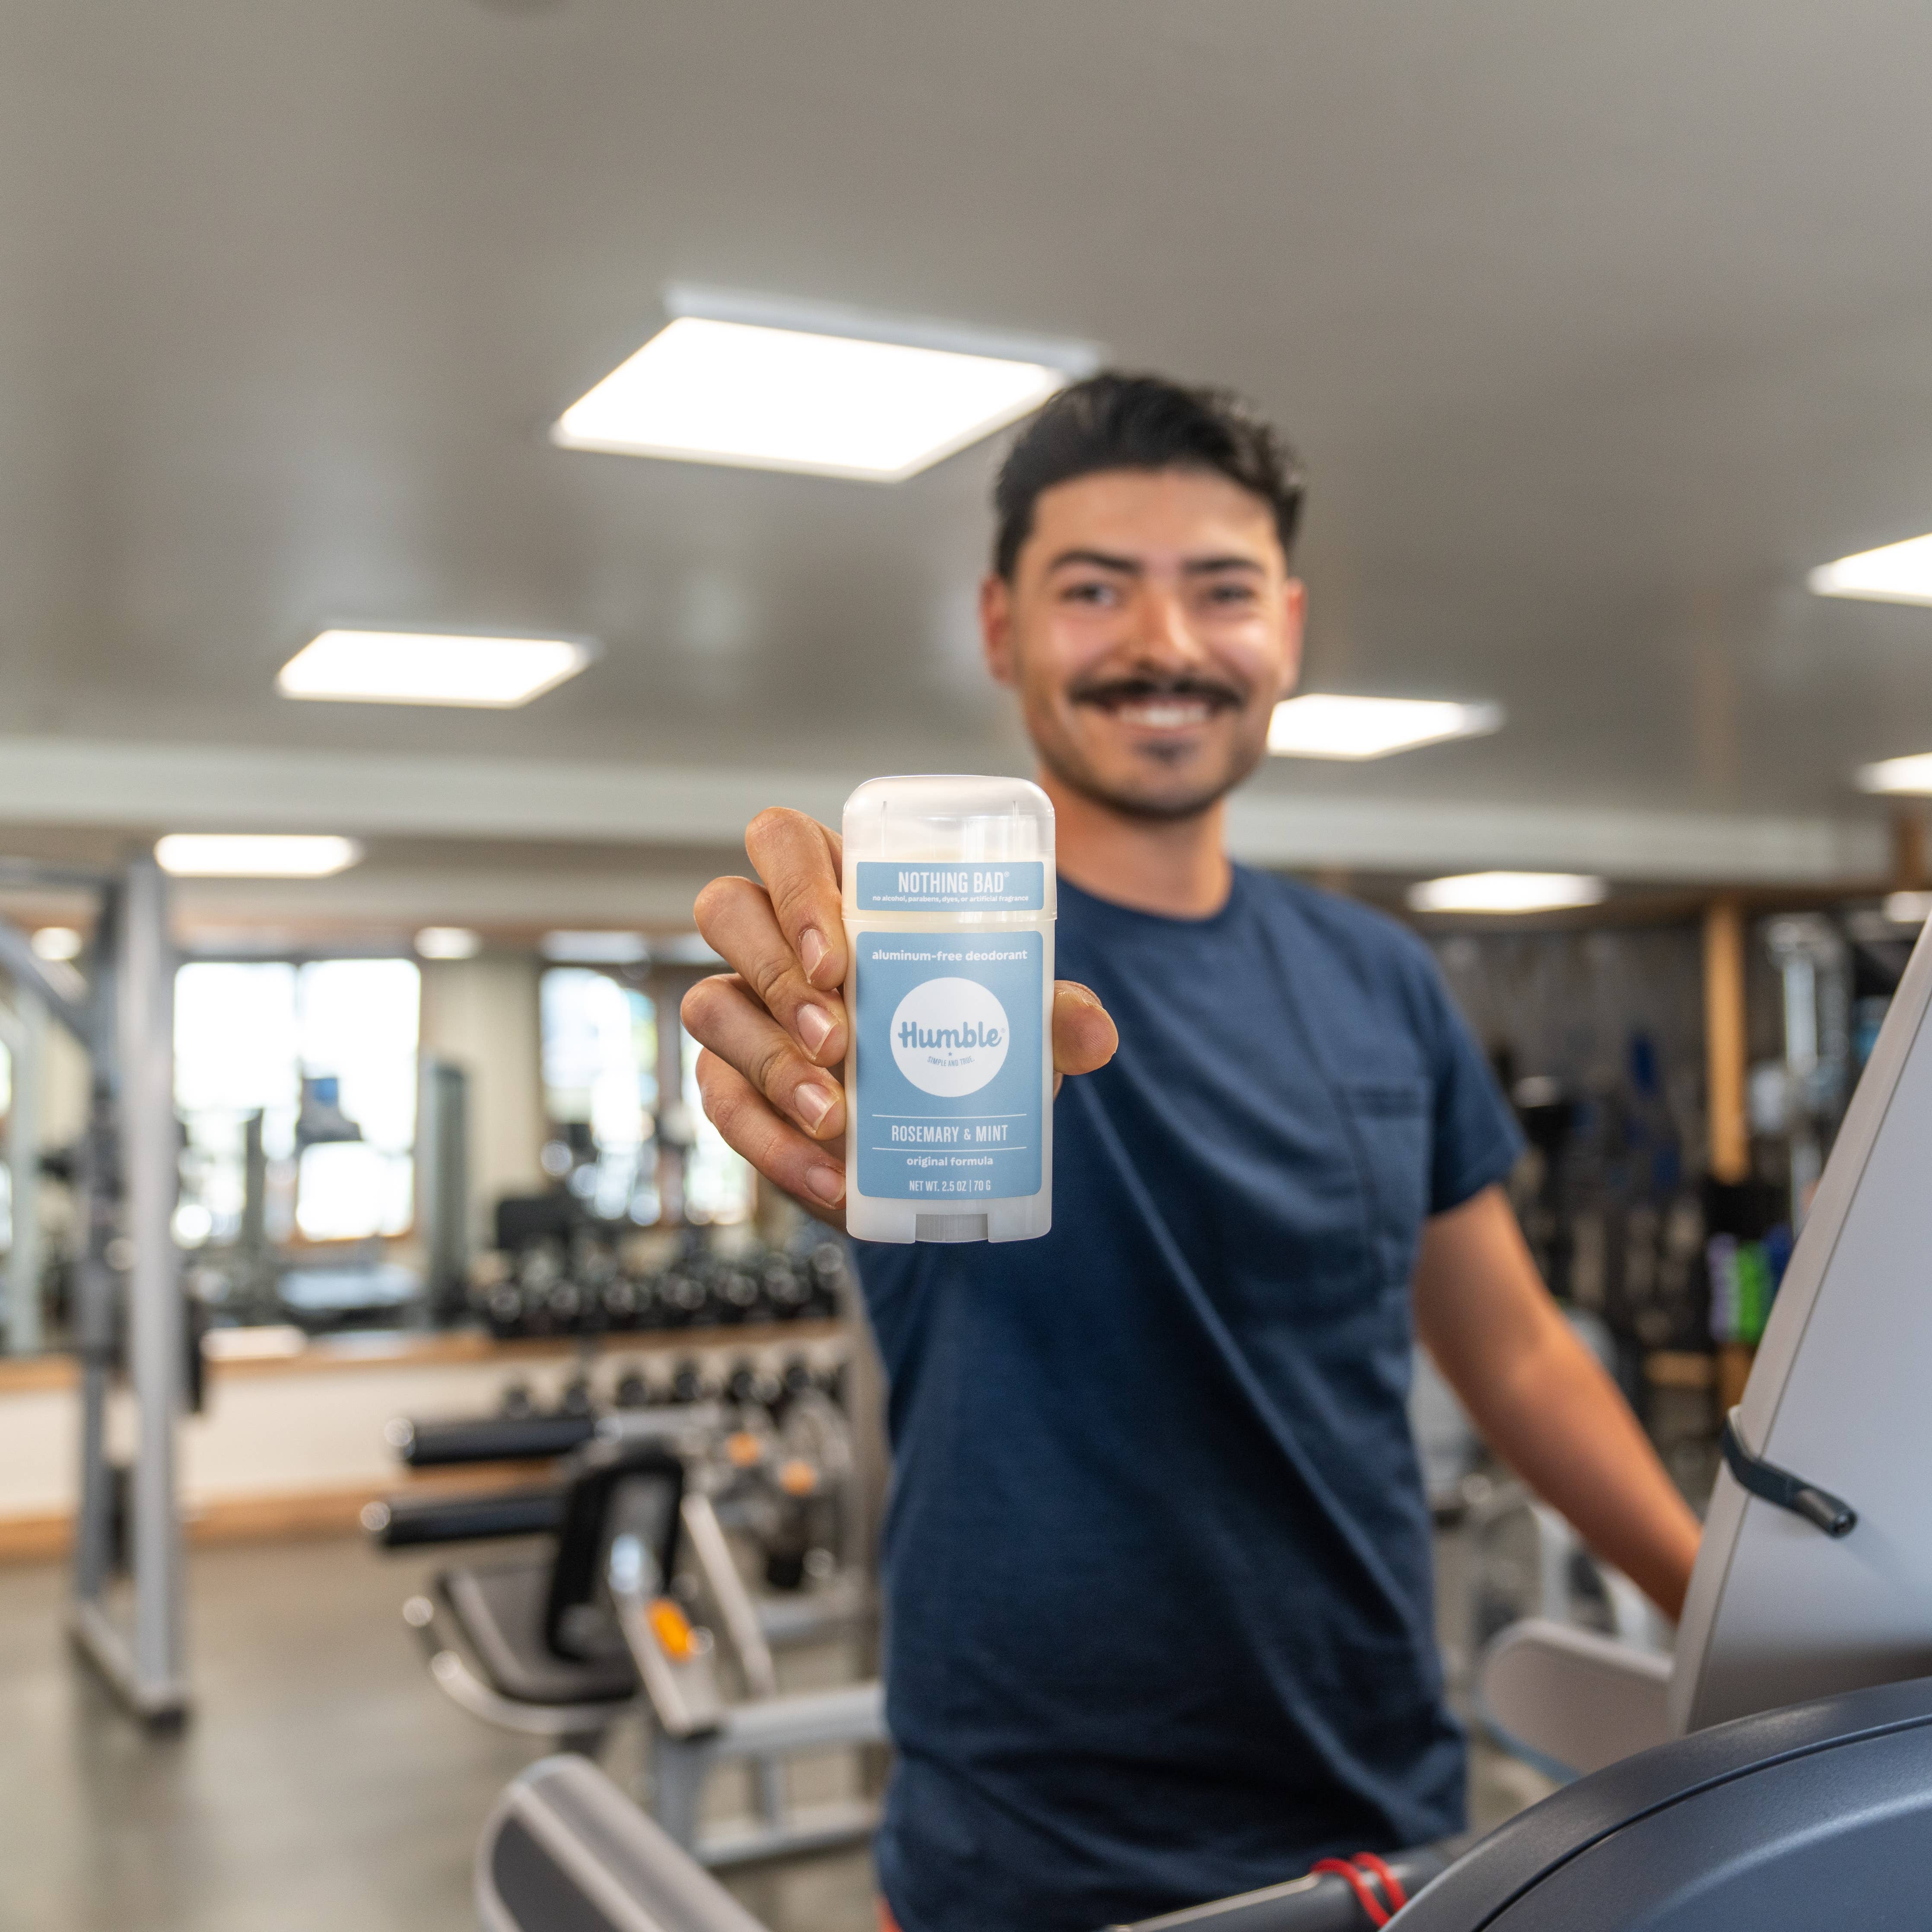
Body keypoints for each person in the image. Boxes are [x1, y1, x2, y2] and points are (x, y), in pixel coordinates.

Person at [682, 375, 1701, 1932]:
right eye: (1095, 590)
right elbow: (825, 1130)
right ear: (1001, 627)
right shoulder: (929, 961)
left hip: (1382, 1834)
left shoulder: (1378, 979)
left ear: (1284, 628)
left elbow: (1521, 1361)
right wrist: (807, 1039)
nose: (1163, 644)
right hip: (1020, 1866)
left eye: (1218, 591)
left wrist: (1735, 1617)